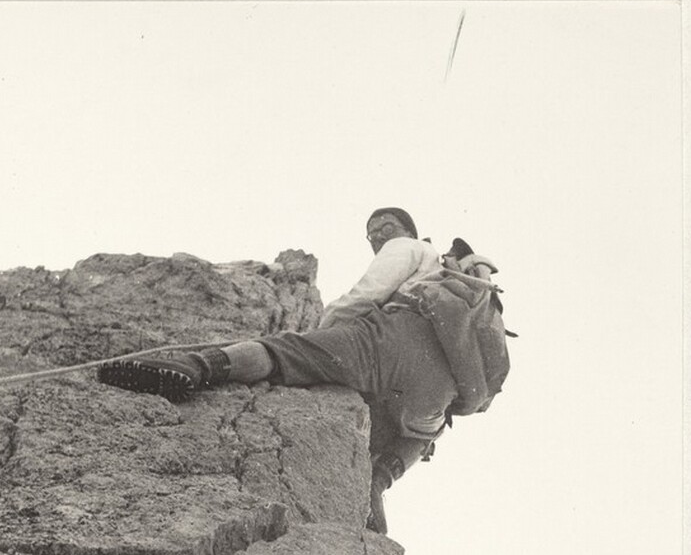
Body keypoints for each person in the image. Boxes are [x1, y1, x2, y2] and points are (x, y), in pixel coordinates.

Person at [98, 207, 510, 533]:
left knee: (289, 351)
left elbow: (368, 293)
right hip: (440, 387)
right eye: (371, 233)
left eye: (384, 227)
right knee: (423, 433)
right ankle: (377, 480)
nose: (377, 236)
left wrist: (323, 331)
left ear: (407, 229)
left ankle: (193, 366)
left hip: (395, 338)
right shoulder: (460, 288)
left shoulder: (410, 248)